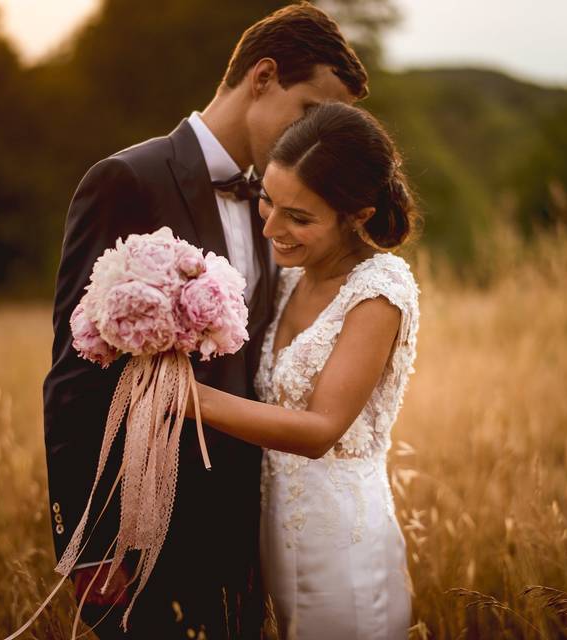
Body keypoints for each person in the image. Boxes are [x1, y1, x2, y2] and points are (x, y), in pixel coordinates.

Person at [41, 3, 367, 638]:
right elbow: (73, 376)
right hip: (142, 524)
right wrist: (91, 540)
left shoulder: (279, 204)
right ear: (263, 77)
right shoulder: (124, 180)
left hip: (246, 531)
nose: (313, 145)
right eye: (308, 115)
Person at [186, 101, 421, 640]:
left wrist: (189, 396)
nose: (271, 227)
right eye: (269, 201)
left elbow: (320, 431)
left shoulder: (378, 291)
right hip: (274, 535)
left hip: (342, 546)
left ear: (358, 216)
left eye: (299, 218)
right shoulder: (290, 275)